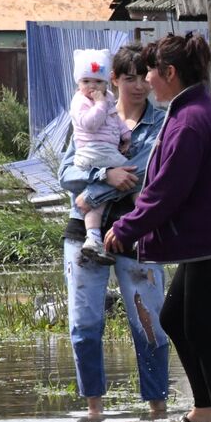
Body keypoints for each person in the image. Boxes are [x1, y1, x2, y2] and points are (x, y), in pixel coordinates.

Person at [103, 33, 211, 422]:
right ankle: (205, 408)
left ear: (169, 73)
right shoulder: (192, 109)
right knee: (174, 318)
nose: (146, 80)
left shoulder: (190, 121)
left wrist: (126, 227)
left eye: (150, 72)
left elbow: (165, 192)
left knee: (204, 333)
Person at [60, 44, 170, 422]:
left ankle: (157, 409)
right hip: (82, 231)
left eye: (144, 78)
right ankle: (94, 410)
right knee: (84, 323)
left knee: (149, 323)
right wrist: (104, 175)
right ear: (113, 79)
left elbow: (141, 174)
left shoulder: (161, 125)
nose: (138, 86)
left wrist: (92, 193)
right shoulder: (85, 113)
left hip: (136, 229)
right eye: (129, 78)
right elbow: (65, 173)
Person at [68, 49, 131, 263]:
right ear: (78, 83)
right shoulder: (80, 101)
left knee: (98, 202)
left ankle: (93, 237)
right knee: (136, 175)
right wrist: (100, 104)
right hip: (93, 151)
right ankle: (144, 224)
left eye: (97, 81)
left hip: (106, 151)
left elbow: (115, 119)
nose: (92, 87)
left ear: (107, 82)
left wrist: (126, 135)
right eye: (86, 81)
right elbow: (90, 124)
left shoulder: (108, 98)